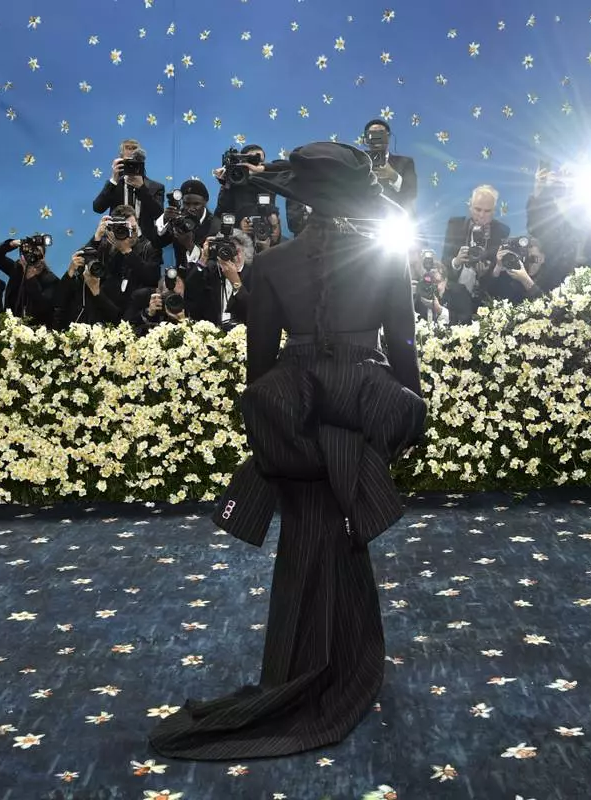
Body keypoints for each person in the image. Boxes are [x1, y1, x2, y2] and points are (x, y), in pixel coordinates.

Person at [148, 142, 426, 760]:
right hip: (362, 404)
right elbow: (404, 354)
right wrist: (405, 420)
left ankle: (310, 666)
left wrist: (280, 430)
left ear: (300, 205)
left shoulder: (269, 268)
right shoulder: (386, 263)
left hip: (294, 410)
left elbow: (258, 367)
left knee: (306, 534)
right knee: (345, 530)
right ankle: (345, 662)